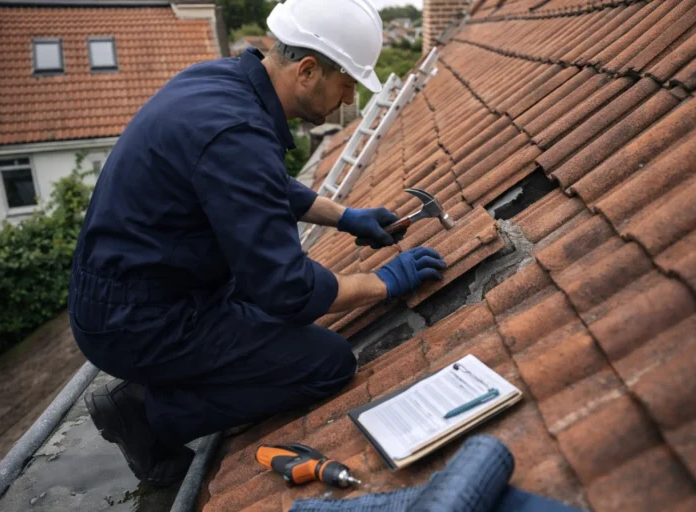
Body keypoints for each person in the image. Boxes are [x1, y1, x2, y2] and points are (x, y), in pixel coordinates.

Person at [68, 0, 446, 486]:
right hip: (137, 323)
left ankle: (163, 385)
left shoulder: (221, 82)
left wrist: (345, 217)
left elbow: (260, 185)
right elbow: (288, 290)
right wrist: (382, 283)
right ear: (308, 70)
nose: (349, 100)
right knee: (326, 363)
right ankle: (147, 415)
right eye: (347, 84)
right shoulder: (236, 130)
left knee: (267, 320)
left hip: (140, 290)